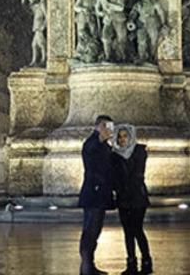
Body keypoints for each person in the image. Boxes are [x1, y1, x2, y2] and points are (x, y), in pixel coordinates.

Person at [112, 125, 152, 275]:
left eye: (125, 136)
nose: (122, 140)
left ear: (131, 137)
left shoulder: (139, 152)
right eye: (120, 136)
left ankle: (146, 261)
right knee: (127, 232)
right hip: (123, 197)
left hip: (137, 197)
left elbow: (138, 174)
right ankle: (131, 263)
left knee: (137, 229)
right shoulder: (114, 155)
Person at [78, 115, 114, 275]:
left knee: (95, 230)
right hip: (94, 194)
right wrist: (100, 138)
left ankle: (89, 265)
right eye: (107, 127)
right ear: (99, 126)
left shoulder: (104, 145)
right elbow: (92, 149)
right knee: (90, 230)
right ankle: (86, 266)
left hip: (99, 194)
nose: (110, 130)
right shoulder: (93, 142)